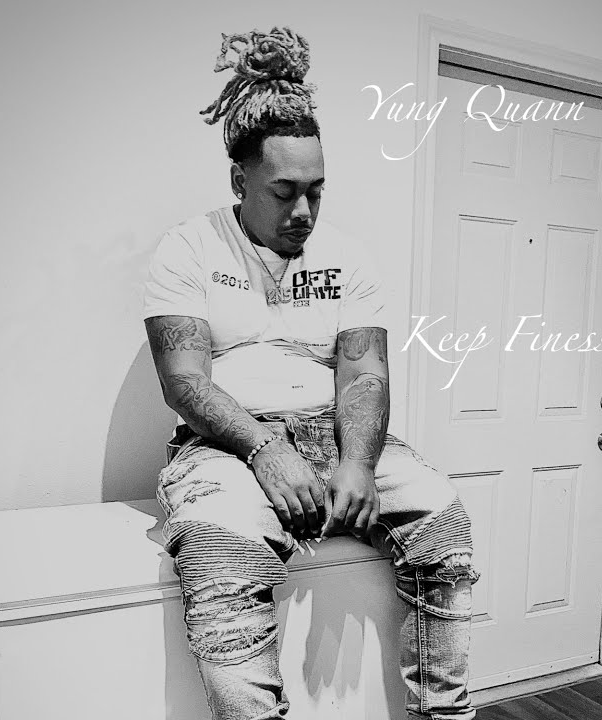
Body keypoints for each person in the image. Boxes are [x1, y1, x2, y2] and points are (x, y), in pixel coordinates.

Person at [142, 26, 479, 720]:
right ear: (240, 180)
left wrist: (358, 462)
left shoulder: (348, 257)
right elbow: (185, 380)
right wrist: (264, 449)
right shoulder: (189, 248)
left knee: (444, 524)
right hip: (227, 446)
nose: (304, 212)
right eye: (285, 191)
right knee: (219, 551)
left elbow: (365, 375)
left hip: (335, 433)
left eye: (317, 192)